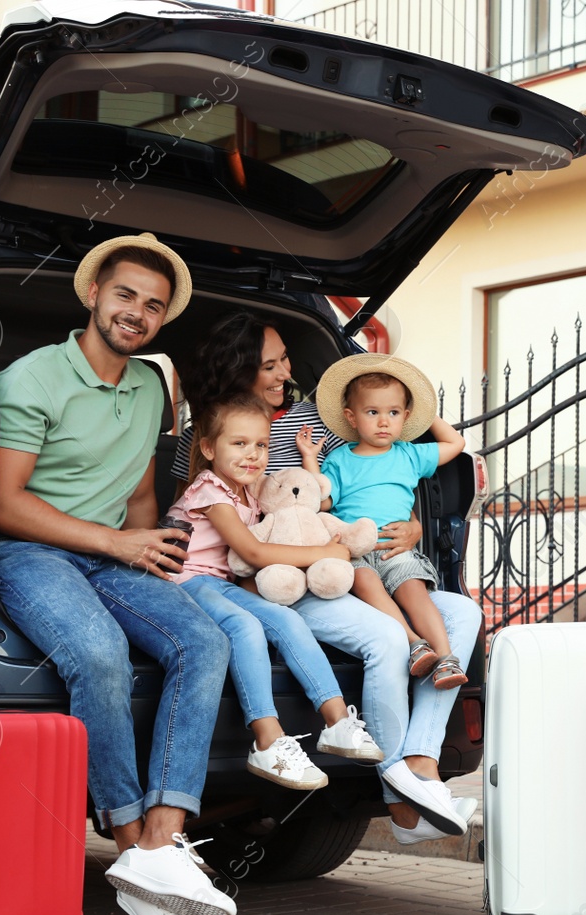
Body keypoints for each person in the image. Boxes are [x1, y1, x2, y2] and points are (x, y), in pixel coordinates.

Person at [0, 232, 234, 915]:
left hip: (110, 554)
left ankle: (163, 843)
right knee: (97, 653)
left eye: (153, 306)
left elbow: (134, 486)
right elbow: (3, 502)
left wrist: (147, 550)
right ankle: (128, 837)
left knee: (203, 638)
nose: (137, 312)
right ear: (94, 293)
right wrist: (116, 543)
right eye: (125, 294)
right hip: (31, 551)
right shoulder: (34, 378)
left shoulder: (151, 384)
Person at [174, 315, 482, 846]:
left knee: (463, 613)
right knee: (386, 638)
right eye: (268, 365)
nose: (284, 373)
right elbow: (204, 523)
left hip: (347, 561)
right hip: (281, 582)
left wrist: (409, 524)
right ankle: (401, 804)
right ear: (236, 371)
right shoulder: (201, 436)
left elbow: (374, 473)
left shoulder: (313, 421)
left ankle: (420, 766)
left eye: (285, 360)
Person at [165, 391, 383, 789]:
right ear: (209, 448)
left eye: (261, 445)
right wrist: (329, 551)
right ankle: (267, 739)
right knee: (244, 627)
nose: (253, 454)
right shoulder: (210, 489)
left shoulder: (254, 489)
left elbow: (300, 501)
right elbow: (251, 550)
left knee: (286, 619)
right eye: (239, 443)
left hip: (222, 582)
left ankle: (337, 720)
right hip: (186, 581)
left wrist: (309, 463)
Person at [312, 356, 469, 690]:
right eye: (373, 412)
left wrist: (428, 416)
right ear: (351, 418)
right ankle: (415, 643)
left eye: (394, 413)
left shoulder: (409, 454)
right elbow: (322, 501)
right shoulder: (340, 459)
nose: (384, 422)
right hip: (354, 550)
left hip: (395, 549)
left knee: (415, 592)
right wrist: (312, 462)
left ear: (406, 417)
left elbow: (456, 444)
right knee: (366, 583)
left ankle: (446, 659)